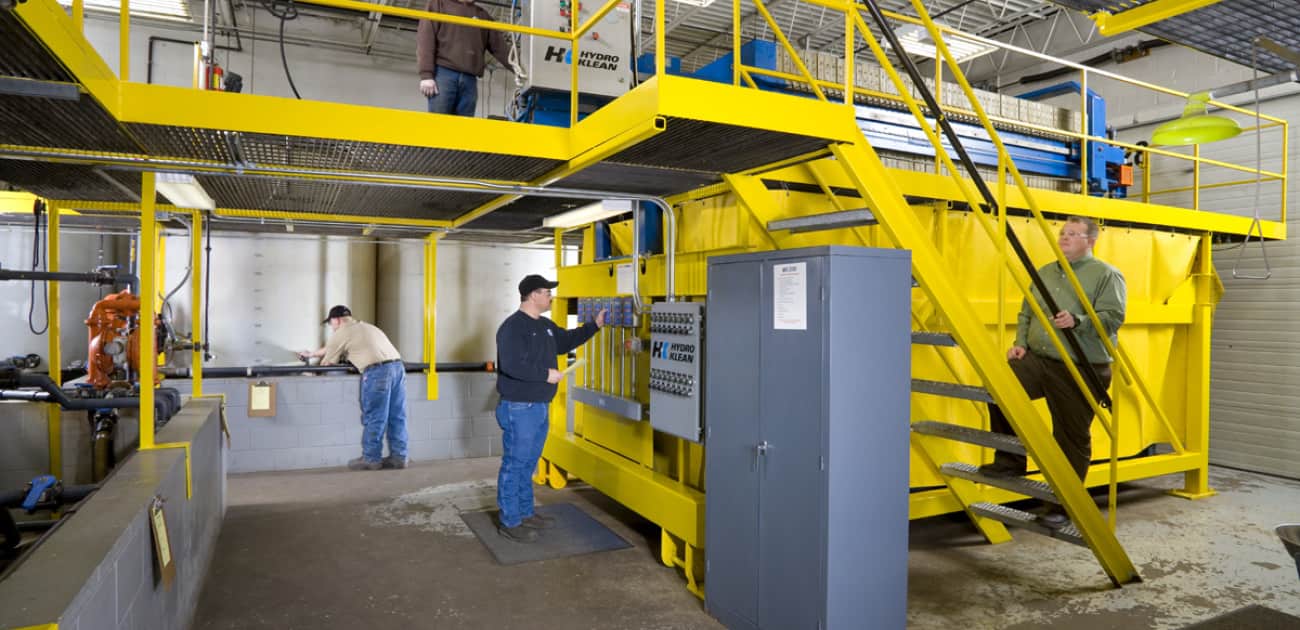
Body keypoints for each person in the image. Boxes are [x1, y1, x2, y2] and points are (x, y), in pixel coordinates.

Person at [978, 216, 1126, 527]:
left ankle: (1064, 505)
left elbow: (1113, 317)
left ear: (1090, 241)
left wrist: (1079, 321)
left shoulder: (1106, 275)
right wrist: (1020, 344)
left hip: (1080, 366)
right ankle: (1010, 461)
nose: (1064, 237)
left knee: (1069, 437)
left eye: (1073, 234)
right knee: (1000, 387)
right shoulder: (1044, 273)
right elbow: (1027, 312)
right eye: (1063, 233)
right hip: (1039, 360)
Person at [493, 275, 605, 542]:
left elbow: (566, 340)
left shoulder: (544, 325)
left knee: (528, 463)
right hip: (520, 407)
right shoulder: (512, 327)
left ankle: (525, 513)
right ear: (532, 295)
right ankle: (510, 520)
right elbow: (511, 365)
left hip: (539, 406)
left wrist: (595, 325)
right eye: (546, 292)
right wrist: (546, 374)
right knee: (515, 463)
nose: (551, 297)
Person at [299, 305, 408, 471]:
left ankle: (371, 459)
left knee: (375, 416)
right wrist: (312, 354)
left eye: (331, 324)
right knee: (397, 415)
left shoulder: (341, 333)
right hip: (398, 369)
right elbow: (331, 348)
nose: (332, 327)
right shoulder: (366, 327)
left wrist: (311, 375)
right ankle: (399, 457)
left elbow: (327, 362)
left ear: (336, 320)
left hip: (377, 372)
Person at [416, 0, 514, 116]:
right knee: (439, 125)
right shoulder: (438, 4)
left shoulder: (482, 15)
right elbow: (426, 38)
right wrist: (426, 75)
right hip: (444, 74)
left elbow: (500, 48)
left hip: (469, 79)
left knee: (464, 128)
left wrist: (522, 70)